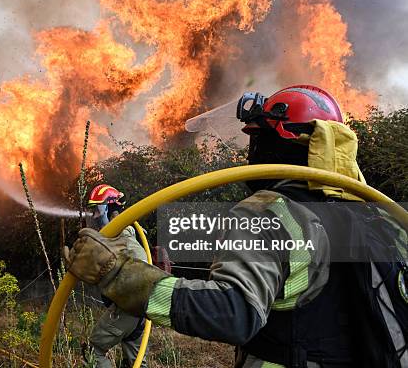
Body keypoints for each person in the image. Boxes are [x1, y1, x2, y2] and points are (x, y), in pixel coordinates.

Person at [64, 85, 407, 368]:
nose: (251, 152)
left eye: (257, 139)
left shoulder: (270, 214)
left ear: (285, 140)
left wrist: (117, 272)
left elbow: (234, 312)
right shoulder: (381, 217)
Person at [83, 184, 149, 368]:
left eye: (97, 210)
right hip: (139, 314)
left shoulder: (124, 240)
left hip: (127, 310)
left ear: (110, 208)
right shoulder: (120, 237)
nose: (95, 217)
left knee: (92, 352)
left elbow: (143, 271)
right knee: (134, 363)